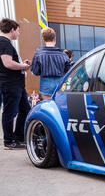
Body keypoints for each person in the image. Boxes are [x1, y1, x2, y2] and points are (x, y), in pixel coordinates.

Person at [0, 18, 31, 150]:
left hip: (16, 84)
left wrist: (21, 64)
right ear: (12, 30)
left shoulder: (5, 43)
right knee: (10, 112)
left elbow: (8, 62)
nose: (18, 34)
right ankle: (9, 141)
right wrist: (23, 66)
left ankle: (18, 137)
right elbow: (7, 63)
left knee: (25, 110)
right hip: (11, 84)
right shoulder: (4, 43)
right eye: (18, 31)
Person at [31, 27, 71, 100]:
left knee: (48, 105)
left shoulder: (38, 54)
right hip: (60, 82)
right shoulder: (63, 55)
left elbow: (35, 72)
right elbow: (68, 71)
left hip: (46, 83)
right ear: (55, 39)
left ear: (44, 39)